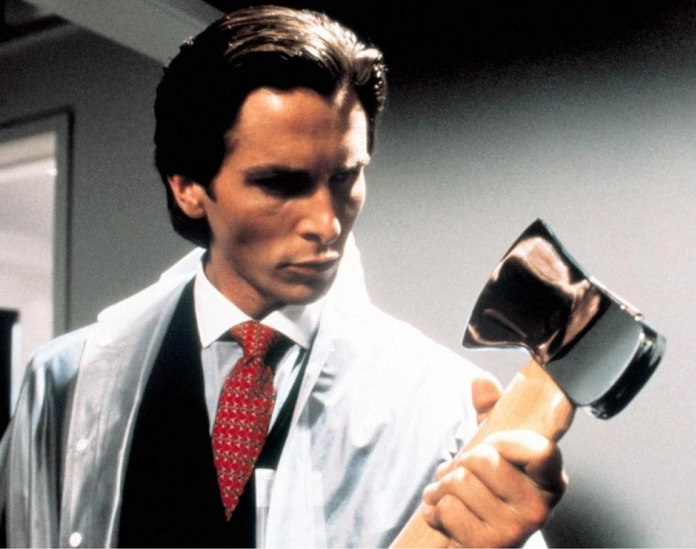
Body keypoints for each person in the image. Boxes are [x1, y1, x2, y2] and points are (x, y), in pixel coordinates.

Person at [0, 5, 566, 548]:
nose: (327, 224)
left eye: (345, 177)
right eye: (279, 183)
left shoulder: (440, 402)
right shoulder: (69, 382)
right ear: (188, 187)